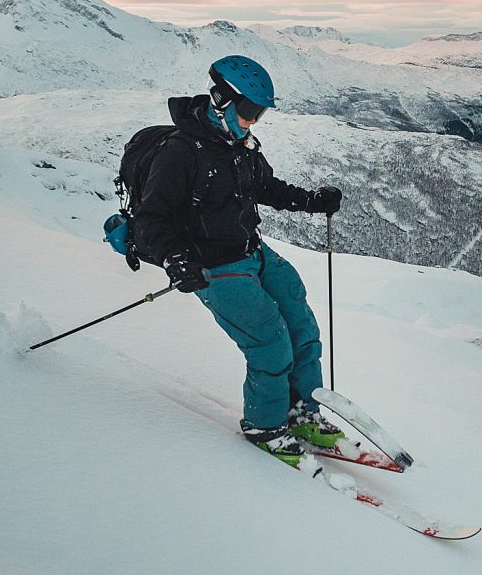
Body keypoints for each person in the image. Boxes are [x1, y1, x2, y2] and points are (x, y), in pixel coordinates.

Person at [132, 55, 344, 467]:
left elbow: (265, 187)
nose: (253, 121)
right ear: (219, 101)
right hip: (213, 266)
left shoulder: (240, 146)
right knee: (269, 341)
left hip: (252, 250)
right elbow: (151, 219)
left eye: (259, 112)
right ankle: (266, 426)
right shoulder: (180, 153)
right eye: (248, 111)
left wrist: (310, 201)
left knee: (301, 324)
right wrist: (175, 259)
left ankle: (302, 413)